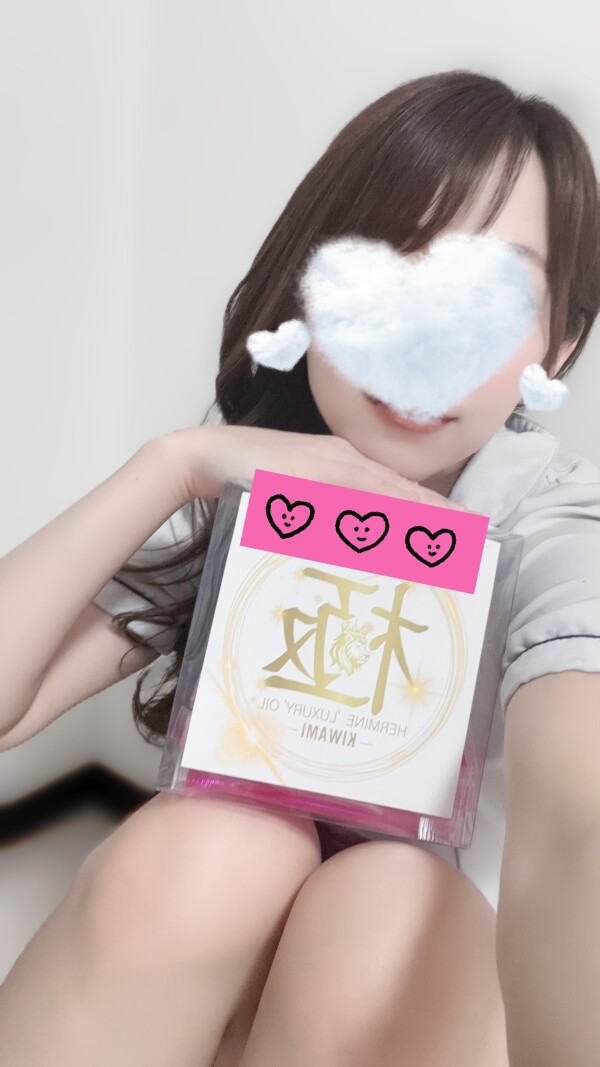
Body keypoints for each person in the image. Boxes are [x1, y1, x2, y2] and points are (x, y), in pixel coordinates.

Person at [0, 68, 599, 1067]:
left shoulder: (552, 521)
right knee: (223, 840)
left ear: (560, 343)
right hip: (182, 989)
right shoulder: (251, 483)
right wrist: (170, 465)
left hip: (427, 1001)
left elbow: (581, 803)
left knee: (386, 893)